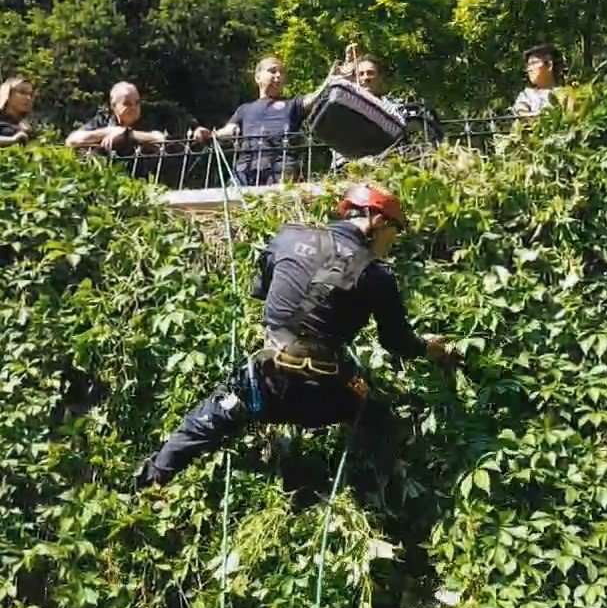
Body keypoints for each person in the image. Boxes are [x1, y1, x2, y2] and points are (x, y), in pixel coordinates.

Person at [136, 183, 454, 489]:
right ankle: (372, 490)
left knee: (204, 420)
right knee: (376, 416)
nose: (392, 242)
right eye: (393, 233)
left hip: (264, 384)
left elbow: (263, 291)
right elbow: (396, 342)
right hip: (323, 396)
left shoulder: (287, 237)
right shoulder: (377, 274)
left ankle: (151, 483)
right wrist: (434, 350)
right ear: (379, 220)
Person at [196, 56, 329, 186]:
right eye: (272, 71)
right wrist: (211, 135)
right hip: (246, 170)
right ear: (257, 77)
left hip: (281, 168)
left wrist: (332, 80)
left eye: (281, 73)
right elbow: (231, 130)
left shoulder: (292, 104)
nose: (278, 76)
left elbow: (314, 99)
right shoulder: (245, 109)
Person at [65, 82, 170, 154]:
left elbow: (161, 139)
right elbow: (71, 141)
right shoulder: (103, 120)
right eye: (127, 103)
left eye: (137, 103)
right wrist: (108, 131)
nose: (134, 107)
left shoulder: (148, 118)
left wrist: (127, 134)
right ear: (114, 106)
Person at [511, 43, 565, 118]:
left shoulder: (565, 93)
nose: (529, 69)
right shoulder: (527, 95)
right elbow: (521, 112)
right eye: (528, 65)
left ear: (549, 65)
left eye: (533, 63)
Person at [0, 78, 35, 146]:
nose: (28, 98)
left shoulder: (27, 127)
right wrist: (12, 140)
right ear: (7, 94)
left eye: (30, 94)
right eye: (22, 92)